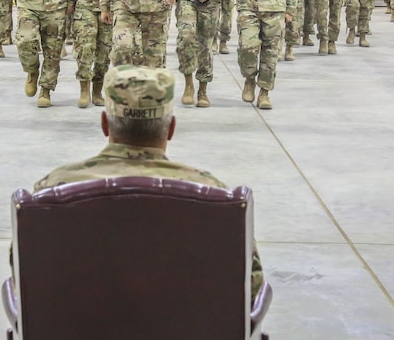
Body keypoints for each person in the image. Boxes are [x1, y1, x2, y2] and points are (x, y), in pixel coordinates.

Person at [31, 65, 263, 298]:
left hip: (76, 333)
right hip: (186, 333)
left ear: (104, 124)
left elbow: (26, 279)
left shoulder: (55, 190)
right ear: (171, 128)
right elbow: (250, 287)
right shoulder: (214, 196)